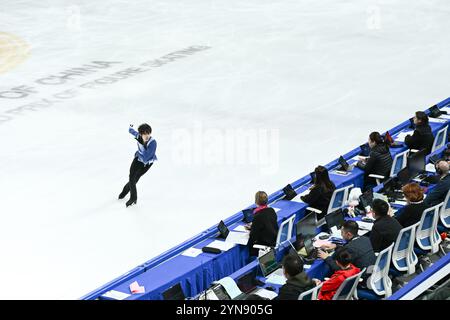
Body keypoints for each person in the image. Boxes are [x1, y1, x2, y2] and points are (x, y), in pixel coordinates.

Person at [118, 124, 157, 207]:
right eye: (144, 134)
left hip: (146, 164)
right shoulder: (139, 136)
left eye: (148, 133)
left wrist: (139, 149)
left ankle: (129, 195)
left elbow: (146, 158)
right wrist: (130, 126)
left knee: (135, 179)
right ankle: (130, 196)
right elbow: (131, 131)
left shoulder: (153, 143)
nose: (146, 136)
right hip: (138, 159)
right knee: (131, 177)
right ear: (141, 134)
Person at [247, 191, 279, 256]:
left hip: (265, 244)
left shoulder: (258, 216)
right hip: (274, 239)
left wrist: (252, 228)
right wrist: (254, 226)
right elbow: (266, 223)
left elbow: (253, 236)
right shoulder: (271, 210)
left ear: (256, 201)